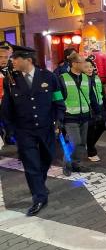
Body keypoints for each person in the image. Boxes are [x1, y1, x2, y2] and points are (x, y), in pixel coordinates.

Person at [1, 45, 65, 216]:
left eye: (15, 58)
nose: (12, 61)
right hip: (24, 130)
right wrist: (10, 129)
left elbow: (58, 99)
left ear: (27, 60)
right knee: (31, 164)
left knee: (47, 158)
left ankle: (39, 184)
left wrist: (59, 120)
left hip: (46, 128)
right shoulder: (11, 80)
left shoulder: (49, 77)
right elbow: (7, 106)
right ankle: (39, 197)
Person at [59, 53, 98, 176]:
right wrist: (58, 118)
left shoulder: (87, 78)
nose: (86, 65)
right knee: (75, 142)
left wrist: (98, 112)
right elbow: (58, 99)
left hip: (85, 116)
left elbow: (92, 96)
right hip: (70, 117)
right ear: (74, 64)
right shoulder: (62, 78)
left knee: (81, 143)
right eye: (82, 62)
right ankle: (67, 164)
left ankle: (76, 164)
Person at [83, 58, 106, 162]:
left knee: (102, 126)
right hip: (89, 109)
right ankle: (91, 151)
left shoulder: (96, 77)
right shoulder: (82, 79)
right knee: (91, 129)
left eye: (91, 66)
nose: (89, 69)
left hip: (100, 106)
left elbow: (102, 93)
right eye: (86, 67)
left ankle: (89, 145)